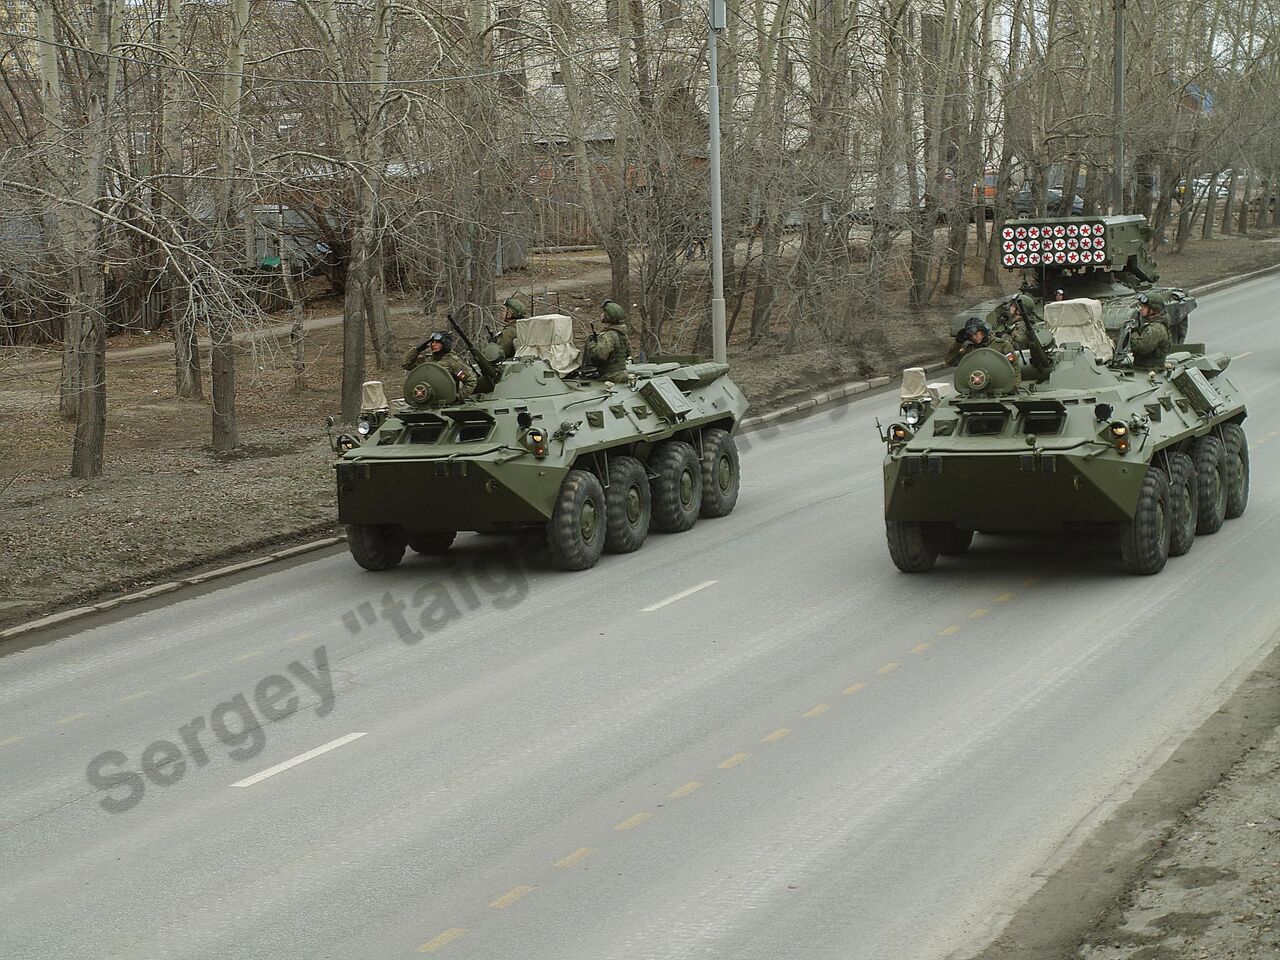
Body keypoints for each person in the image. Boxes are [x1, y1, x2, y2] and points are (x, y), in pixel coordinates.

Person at [402, 331, 478, 397]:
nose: (433, 345)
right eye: (433, 342)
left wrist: (459, 396)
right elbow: (406, 364)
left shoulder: (453, 362)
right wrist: (417, 350)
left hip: (446, 403)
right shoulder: (427, 360)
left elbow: (471, 381)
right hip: (425, 399)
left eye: (437, 342)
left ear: (445, 344)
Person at [585, 299, 632, 378]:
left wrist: (592, 344)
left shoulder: (609, 335)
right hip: (622, 373)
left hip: (610, 375)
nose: (602, 315)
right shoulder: (623, 334)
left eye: (604, 313)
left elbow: (600, 355)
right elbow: (628, 353)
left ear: (607, 317)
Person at [946, 318, 1015, 366]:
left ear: (983, 330)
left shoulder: (1002, 345)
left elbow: (1014, 366)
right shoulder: (970, 350)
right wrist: (958, 343)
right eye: (970, 335)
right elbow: (950, 361)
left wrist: (1014, 386)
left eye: (975, 333)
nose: (973, 337)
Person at [1130, 292, 1171, 365]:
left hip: (1150, 368)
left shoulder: (1156, 329)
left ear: (1154, 309)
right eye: (1141, 306)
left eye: (1144, 307)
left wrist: (1133, 334)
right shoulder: (1152, 323)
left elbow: (1141, 347)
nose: (1141, 309)